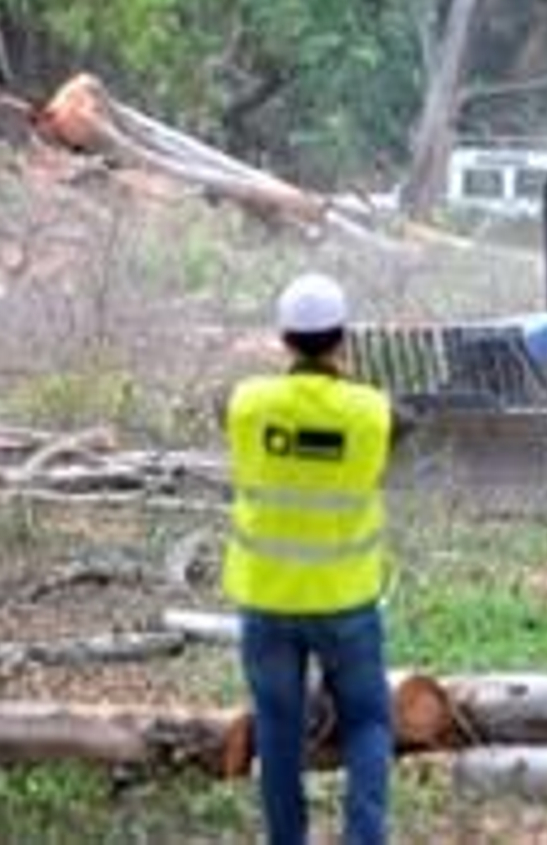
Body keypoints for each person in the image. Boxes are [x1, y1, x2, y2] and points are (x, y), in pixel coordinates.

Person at [223, 272, 393, 845]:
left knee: (277, 729)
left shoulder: (249, 403)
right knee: (368, 722)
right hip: (346, 599)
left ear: (283, 338)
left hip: (267, 599)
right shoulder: (370, 411)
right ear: (343, 338)